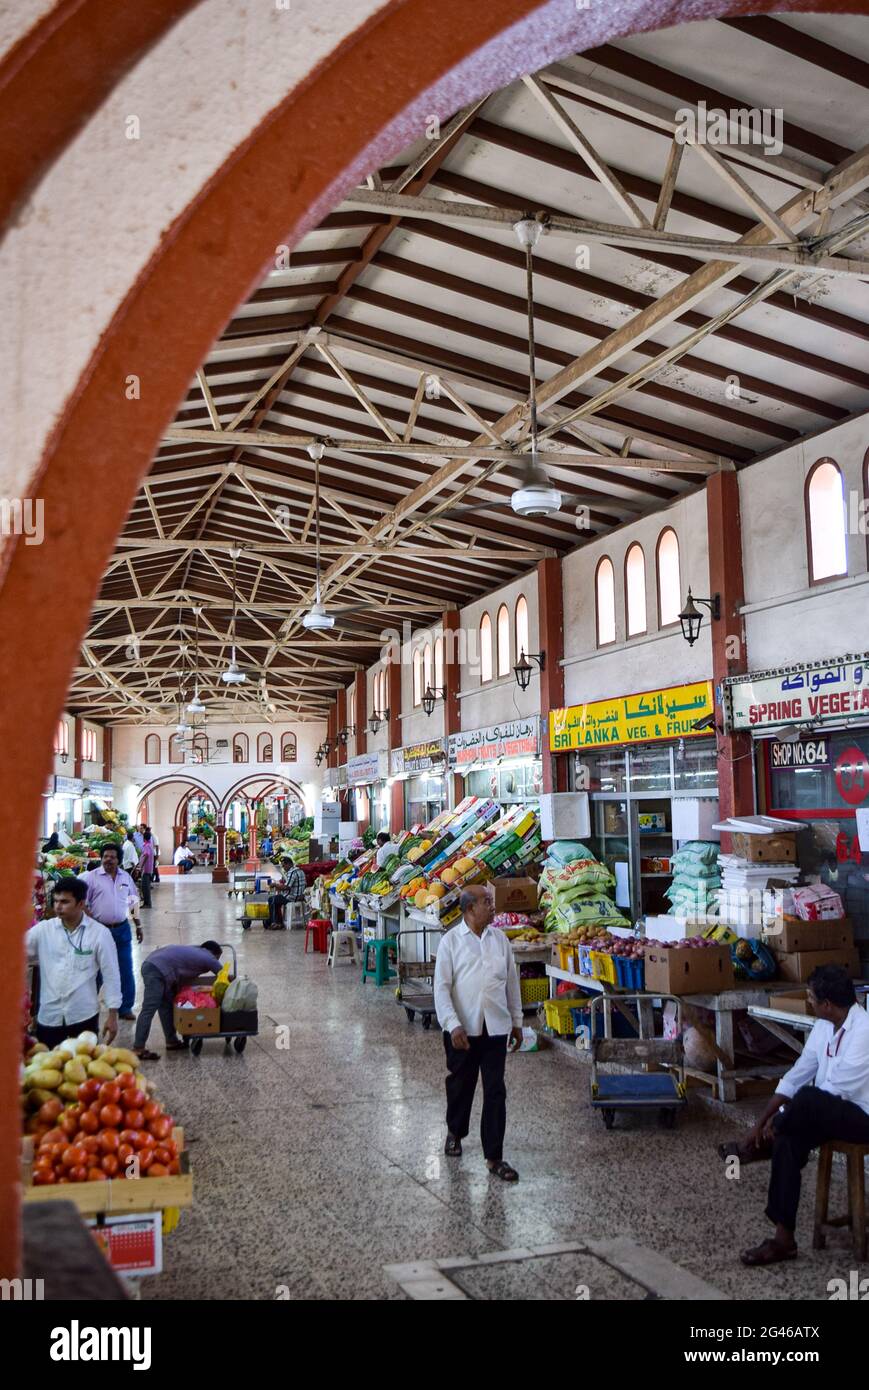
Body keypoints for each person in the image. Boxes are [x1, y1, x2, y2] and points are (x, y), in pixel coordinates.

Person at [719, 964, 869, 1267]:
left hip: (862, 1119)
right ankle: (783, 1239)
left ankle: (767, 1143)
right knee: (789, 1140)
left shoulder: (864, 1031)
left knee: (809, 1099)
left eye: (812, 998)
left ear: (827, 1005)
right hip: (829, 1112)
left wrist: (780, 1118)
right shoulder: (824, 1026)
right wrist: (760, 1123)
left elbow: (831, 1091)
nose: (809, 1002)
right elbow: (797, 1074)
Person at [433, 884, 523, 1182]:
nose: (492, 906)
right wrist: (452, 1023)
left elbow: (512, 983)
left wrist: (517, 1022)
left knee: (495, 1090)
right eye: (487, 902)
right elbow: (442, 989)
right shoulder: (451, 942)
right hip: (463, 1029)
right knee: (461, 1086)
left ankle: (494, 1157)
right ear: (470, 909)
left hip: (496, 1028)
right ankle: (455, 1131)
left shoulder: (500, 941)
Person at [27, 877, 121, 1047]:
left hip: (83, 1016)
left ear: (81, 903)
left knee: (82, 1069)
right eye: (55, 901)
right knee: (49, 1070)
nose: (58, 906)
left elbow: (111, 975)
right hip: (49, 1017)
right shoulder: (43, 931)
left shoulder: (99, 934)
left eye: (64, 902)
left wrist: (113, 1015)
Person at [78, 842, 141, 1021]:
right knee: (95, 971)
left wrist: (138, 925)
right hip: (99, 931)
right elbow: (82, 902)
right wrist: (92, 921)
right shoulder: (92, 877)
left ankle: (125, 1007)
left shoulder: (125, 878)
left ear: (119, 860)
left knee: (125, 969)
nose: (108, 860)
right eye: (105, 856)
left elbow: (133, 902)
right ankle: (88, 1008)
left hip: (121, 930)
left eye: (112, 857)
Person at [134, 940, 222, 1060]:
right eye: (218, 958)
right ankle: (138, 1048)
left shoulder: (195, 951)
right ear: (214, 953)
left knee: (166, 1006)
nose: (217, 961)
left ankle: (171, 1041)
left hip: (154, 964)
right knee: (149, 1008)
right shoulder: (209, 957)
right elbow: (223, 975)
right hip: (157, 969)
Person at [266, 856, 307, 929]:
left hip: (292, 897)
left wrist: (275, 885)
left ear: (288, 864)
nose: (283, 868)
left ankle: (274, 922)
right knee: (276, 899)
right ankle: (278, 922)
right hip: (299, 896)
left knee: (272, 899)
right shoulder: (301, 871)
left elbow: (286, 887)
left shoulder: (292, 872)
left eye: (284, 866)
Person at [138, 829, 156, 908]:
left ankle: (147, 903)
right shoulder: (150, 845)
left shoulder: (146, 845)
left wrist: (141, 866)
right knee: (145, 886)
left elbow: (146, 855)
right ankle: (147, 903)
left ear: (143, 838)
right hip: (148, 868)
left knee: (145, 887)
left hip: (146, 869)